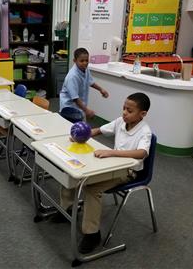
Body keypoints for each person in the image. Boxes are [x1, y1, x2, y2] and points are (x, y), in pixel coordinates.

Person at [58, 93, 153, 254]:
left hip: (128, 171)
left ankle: (92, 234)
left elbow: (141, 153)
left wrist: (112, 153)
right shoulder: (121, 121)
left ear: (142, 114)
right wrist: (81, 136)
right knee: (75, 172)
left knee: (92, 188)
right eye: (123, 108)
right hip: (112, 165)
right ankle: (65, 210)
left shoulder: (145, 131)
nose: (124, 113)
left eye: (129, 110)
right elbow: (99, 130)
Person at [59, 48, 108, 123]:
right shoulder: (72, 76)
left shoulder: (85, 69)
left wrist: (101, 89)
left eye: (86, 60)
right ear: (75, 61)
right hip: (69, 107)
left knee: (81, 125)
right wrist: (87, 110)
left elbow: (90, 81)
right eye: (82, 61)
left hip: (79, 105)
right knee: (74, 128)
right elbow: (75, 98)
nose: (85, 63)